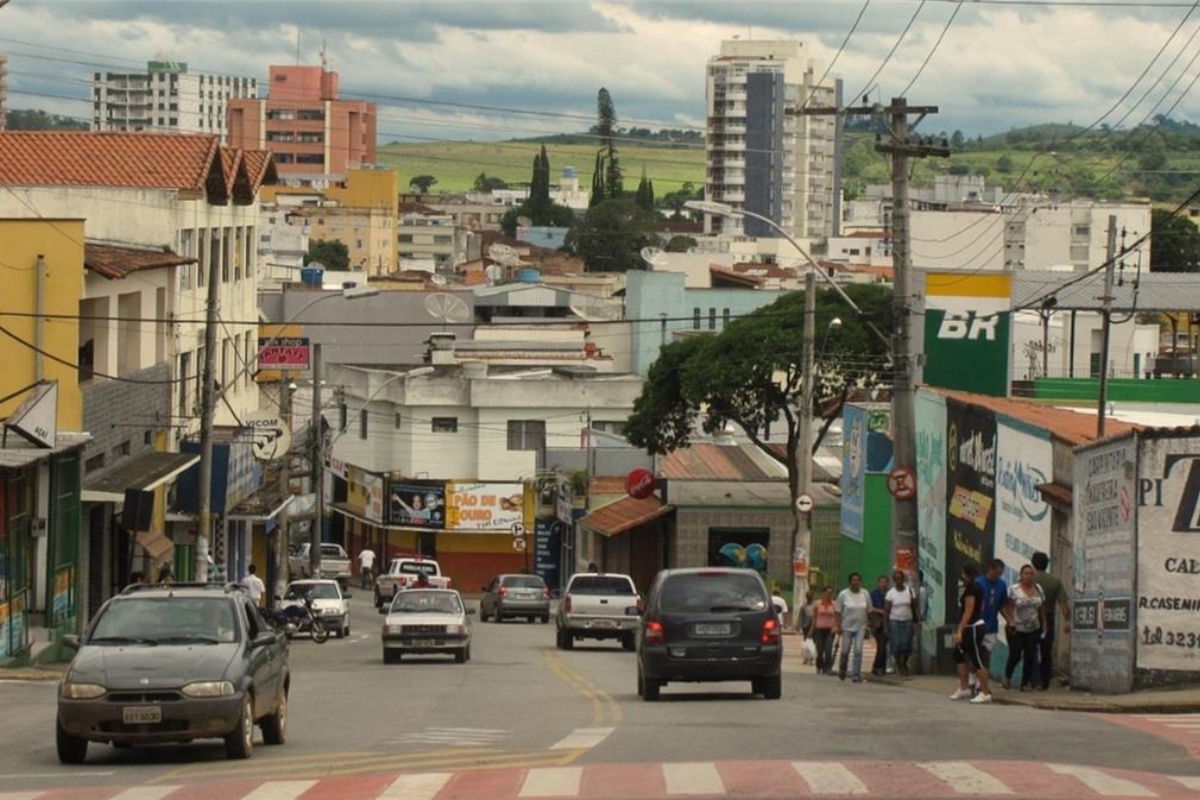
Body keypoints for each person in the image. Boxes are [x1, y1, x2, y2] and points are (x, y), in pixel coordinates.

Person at [951, 563, 993, 704]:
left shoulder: (971, 588)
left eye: (963, 574)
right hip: (970, 626)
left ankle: (985, 692)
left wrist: (960, 630)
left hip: (973, 626)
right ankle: (964, 687)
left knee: (977, 659)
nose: (962, 577)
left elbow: (969, 611)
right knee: (958, 654)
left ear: (966, 574)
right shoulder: (976, 587)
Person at [1003, 564, 1046, 692]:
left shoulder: (1038, 589)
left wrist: (1044, 622)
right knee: (1016, 654)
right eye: (1026, 573)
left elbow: (1042, 607)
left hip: (1033, 627)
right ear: (1021, 575)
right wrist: (1009, 620)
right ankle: (1007, 676)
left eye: (1031, 574)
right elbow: (1006, 606)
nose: (1028, 576)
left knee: (1030, 655)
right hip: (1016, 628)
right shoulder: (1013, 589)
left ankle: (1025, 683)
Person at [1032, 551, 1071, 691]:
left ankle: (1033, 681)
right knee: (1046, 651)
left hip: (1030, 618)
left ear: (1033, 564)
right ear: (1047, 564)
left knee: (1031, 650)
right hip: (1048, 619)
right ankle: (1044, 683)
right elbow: (1064, 605)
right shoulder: (1055, 582)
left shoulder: (1029, 580)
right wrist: (1067, 621)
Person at [976, 558, 1009, 680]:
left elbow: (1002, 605)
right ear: (990, 569)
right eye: (997, 573)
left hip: (991, 626)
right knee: (975, 655)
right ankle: (971, 681)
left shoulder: (1001, 585)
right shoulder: (979, 583)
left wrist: (1009, 619)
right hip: (977, 625)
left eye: (1000, 573)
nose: (998, 576)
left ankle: (982, 684)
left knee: (986, 656)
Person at [884, 569, 920, 680]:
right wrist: (886, 626)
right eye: (896, 578)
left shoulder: (910, 591)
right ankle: (900, 667)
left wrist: (918, 620)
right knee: (896, 646)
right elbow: (887, 611)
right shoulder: (890, 593)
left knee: (907, 646)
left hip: (907, 621)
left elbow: (915, 606)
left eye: (900, 578)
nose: (898, 580)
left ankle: (904, 663)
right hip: (894, 621)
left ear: (903, 579)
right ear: (894, 580)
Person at [835, 573, 871, 683]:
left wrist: (869, 624)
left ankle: (856, 675)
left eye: (858, 580)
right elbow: (838, 611)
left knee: (858, 650)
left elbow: (869, 610)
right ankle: (842, 669)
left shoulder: (865, 593)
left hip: (861, 626)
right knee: (845, 651)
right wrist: (838, 625)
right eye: (853, 580)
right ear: (850, 582)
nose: (856, 582)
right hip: (846, 627)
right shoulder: (843, 594)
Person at [808, 586, 838, 675]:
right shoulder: (817, 604)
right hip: (819, 629)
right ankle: (819, 666)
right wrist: (811, 630)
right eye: (827, 592)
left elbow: (837, 617)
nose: (829, 594)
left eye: (831, 593)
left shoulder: (834, 604)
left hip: (830, 630)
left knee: (828, 649)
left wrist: (837, 627)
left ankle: (827, 668)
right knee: (820, 649)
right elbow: (814, 617)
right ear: (823, 593)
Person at [868, 575, 890, 676]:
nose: (883, 584)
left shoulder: (890, 593)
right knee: (881, 645)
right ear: (878, 583)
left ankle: (880, 667)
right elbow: (869, 608)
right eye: (881, 582)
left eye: (885, 582)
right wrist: (880, 611)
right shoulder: (873, 594)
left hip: (888, 623)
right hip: (877, 623)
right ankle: (878, 667)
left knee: (884, 646)